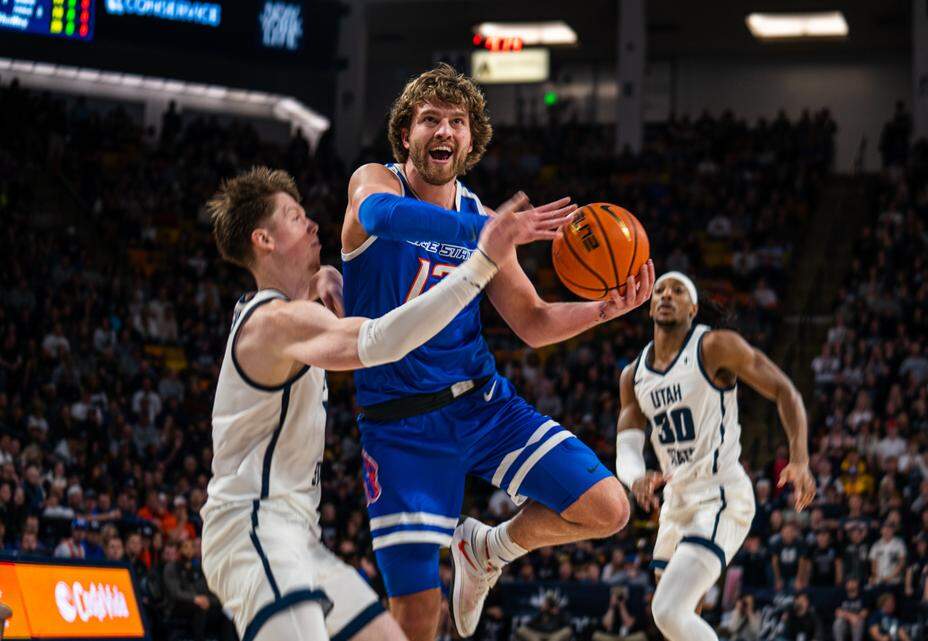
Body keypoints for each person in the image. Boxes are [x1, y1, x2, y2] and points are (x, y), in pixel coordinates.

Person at [340, 64, 654, 641]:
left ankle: (488, 548)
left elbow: (532, 322)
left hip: (482, 405)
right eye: (429, 119)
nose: (443, 130)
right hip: (399, 424)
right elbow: (382, 218)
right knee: (415, 619)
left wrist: (604, 310)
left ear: (470, 138)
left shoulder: (485, 219)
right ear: (406, 133)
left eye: (456, 122)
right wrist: (486, 237)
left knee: (608, 508)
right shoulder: (376, 183)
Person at [199, 165, 555, 641]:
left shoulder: (288, 308)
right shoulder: (275, 323)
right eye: (294, 217)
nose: (313, 225)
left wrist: (324, 276)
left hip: (299, 537)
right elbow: (381, 341)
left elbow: (322, 296)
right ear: (263, 239)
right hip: (252, 529)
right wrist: (480, 264)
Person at [616, 272, 815, 641]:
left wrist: (799, 458)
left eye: (677, 291)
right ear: (649, 307)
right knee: (679, 618)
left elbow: (786, 391)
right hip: (676, 503)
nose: (665, 295)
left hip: (720, 494)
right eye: (659, 290)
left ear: (692, 309)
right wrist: (636, 476)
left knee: (667, 610)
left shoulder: (714, 347)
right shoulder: (633, 375)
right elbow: (627, 444)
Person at [163, 538, 235, 641]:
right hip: (177, 606)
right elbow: (176, 592)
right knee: (200, 608)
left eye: (192, 547)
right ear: (179, 550)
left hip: (198, 602)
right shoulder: (171, 567)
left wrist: (212, 601)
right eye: (185, 547)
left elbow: (205, 589)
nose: (189, 550)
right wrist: (195, 598)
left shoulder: (198, 568)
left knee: (226, 609)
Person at [833, 577, 869, 641]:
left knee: (858, 622)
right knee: (838, 622)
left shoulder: (863, 595)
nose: (850, 584)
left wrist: (856, 618)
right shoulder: (841, 594)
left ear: (857, 583)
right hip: (845, 621)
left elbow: (865, 613)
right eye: (848, 582)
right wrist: (851, 617)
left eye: (852, 581)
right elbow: (837, 612)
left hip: (857, 621)